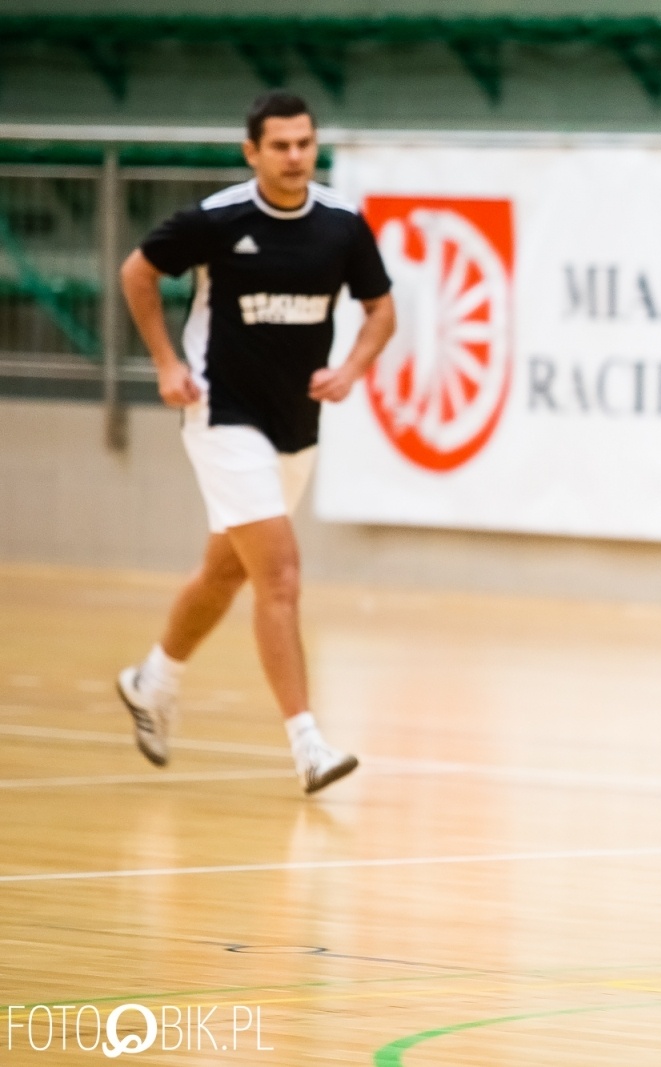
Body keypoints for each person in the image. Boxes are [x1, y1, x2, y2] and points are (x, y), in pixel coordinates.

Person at [114, 90, 396, 794]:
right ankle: (308, 745)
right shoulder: (217, 220)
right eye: (280, 146)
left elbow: (381, 310)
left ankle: (153, 680)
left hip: (295, 424)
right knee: (281, 575)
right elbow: (137, 273)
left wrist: (351, 370)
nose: (295, 157)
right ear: (252, 152)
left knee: (226, 571)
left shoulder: (341, 224)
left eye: (305, 143)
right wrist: (166, 365)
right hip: (222, 414)